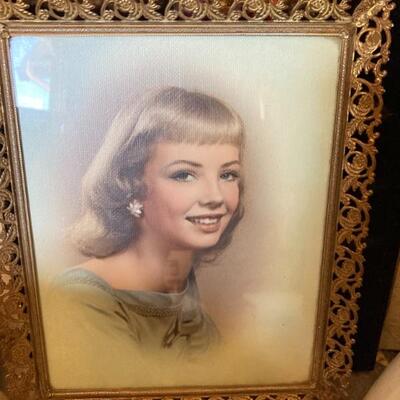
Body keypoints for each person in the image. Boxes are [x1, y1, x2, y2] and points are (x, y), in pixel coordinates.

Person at [45, 87, 245, 388]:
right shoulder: (81, 301)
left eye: (228, 175)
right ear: (131, 185)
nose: (216, 196)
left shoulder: (180, 281)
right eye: (184, 175)